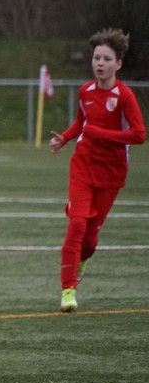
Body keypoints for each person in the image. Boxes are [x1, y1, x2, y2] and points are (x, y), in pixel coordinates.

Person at [49, 28, 145, 313]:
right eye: (96, 58)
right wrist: (65, 138)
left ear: (118, 64)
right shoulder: (85, 91)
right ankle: (68, 290)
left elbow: (139, 135)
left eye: (106, 59)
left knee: (89, 241)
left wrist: (101, 134)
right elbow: (82, 122)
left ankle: (82, 259)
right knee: (77, 223)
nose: (100, 63)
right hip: (83, 165)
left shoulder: (124, 96)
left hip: (111, 174)